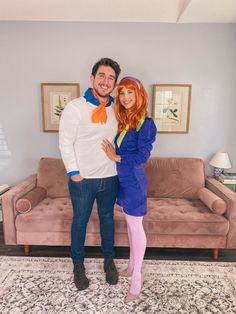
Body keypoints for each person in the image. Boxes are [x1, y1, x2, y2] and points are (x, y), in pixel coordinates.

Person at [59, 57, 121, 291]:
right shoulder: (75, 107)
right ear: (92, 78)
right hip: (82, 179)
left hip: (110, 176)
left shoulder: (117, 108)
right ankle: (77, 264)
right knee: (80, 221)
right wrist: (74, 172)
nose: (106, 81)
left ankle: (108, 260)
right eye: (102, 76)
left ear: (114, 83)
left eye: (111, 78)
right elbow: (65, 142)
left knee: (107, 220)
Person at [102, 76, 157, 303]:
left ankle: (137, 279)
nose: (125, 98)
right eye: (122, 93)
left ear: (139, 94)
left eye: (130, 93)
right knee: (130, 226)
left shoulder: (146, 123)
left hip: (134, 181)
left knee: (136, 228)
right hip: (122, 180)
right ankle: (132, 266)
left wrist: (116, 156)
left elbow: (143, 156)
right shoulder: (125, 121)